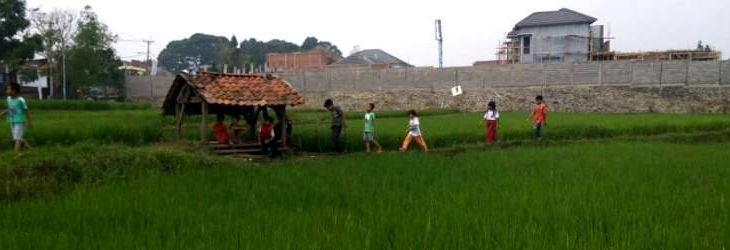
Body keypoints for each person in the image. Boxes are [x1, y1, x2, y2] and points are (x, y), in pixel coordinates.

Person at [1, 82, 32, 151]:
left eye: (8, 89)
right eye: (7, 89)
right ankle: (32, 150)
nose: (7, 91)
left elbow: (26, 111)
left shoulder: (21, 100)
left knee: (17, 139)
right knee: (17, 138)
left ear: (14, 91)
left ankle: (15, 154)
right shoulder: (8, 99)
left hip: (19, 121)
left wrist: (29, 122)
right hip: (11, 120)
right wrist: (2, 113)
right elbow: (8, 108)